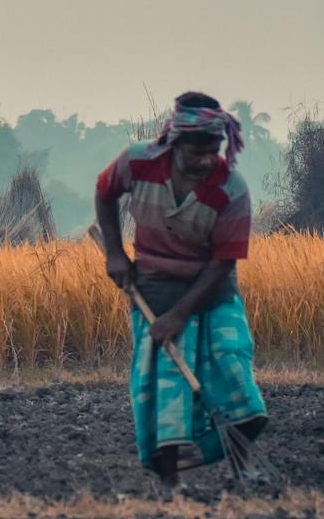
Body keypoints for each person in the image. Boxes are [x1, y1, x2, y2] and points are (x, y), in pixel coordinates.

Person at [93, 92, 268, 489]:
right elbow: (104, 193)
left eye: (215, 149)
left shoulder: (231, 188)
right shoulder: (138, 162)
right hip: (153, 286)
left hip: (213, 289)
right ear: (176, 142)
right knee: (164, 380)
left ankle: (244, 468)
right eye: (198, 151)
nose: (208, 159)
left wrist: (180, 315)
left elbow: (223, 262)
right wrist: (115, 253)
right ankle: (170, 481)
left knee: (230, 366)